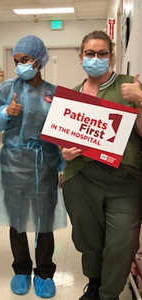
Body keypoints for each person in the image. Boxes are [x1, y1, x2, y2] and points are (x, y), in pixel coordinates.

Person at [0, 35, 66, 298]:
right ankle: (20, 270)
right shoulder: (6, 89)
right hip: (13, 166)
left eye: (25, 60)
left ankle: (44, 273)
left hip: (45, 166)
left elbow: (64, 134)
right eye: (16, 61)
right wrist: (6, 113)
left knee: (44, 222)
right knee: (16, 221)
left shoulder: (55, 93)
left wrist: (62, 167)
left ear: (39, 60)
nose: (20, 66)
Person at [61, 30, 142, 300]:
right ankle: (94, 283)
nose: (95, 58)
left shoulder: (129, 86)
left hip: (124, 181)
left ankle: (109, 294)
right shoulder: (72, 96)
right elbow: (65, 142)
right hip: (81, 178)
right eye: (90, 53)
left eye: (102, 53)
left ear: (111, 56)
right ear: (81, 56)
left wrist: (140, 102)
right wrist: (66, 154)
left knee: (121, 243)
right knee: (89, 240)